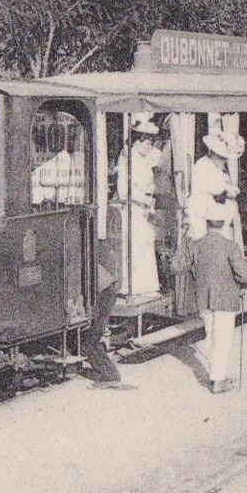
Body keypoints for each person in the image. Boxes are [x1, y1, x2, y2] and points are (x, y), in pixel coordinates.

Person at [190, 198, 247, 393]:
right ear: (223, 223)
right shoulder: (231, 246)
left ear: (207, 223)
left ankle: (214, 373)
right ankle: (218, 380)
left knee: (210, 335)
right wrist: (244, 284)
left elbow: (188, 267)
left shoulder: (196, 245)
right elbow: (243, 274)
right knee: (223, 339)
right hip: (225, 298)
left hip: (203, 298)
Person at [121, 115, 164, 297]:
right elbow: (124, 190)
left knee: (145, 246)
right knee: (136, 249)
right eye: (147, 142)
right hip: (133, 209)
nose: (150, 146)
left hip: (143, 210)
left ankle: (147, 287)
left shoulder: (142, 160)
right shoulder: (127, 159)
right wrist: (142, 198)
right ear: (137, 142)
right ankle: (134, 288)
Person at [186, 129, 244, 246]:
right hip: (200, 207)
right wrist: (226, 188)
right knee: (203, 241)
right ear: (215, 153)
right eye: (223, 157)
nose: (225, 160)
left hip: (213, 208)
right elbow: (211, 187)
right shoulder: (203, 164)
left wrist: (228, 189)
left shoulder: (219, 168)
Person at [83, 234, 127, 387]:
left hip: (104, 299)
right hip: (107, 297)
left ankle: (110, 375)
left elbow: (98, 304)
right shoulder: (96, 267)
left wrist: (90, 318)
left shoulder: (94, 273)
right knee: (90, 341)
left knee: (89, 342)